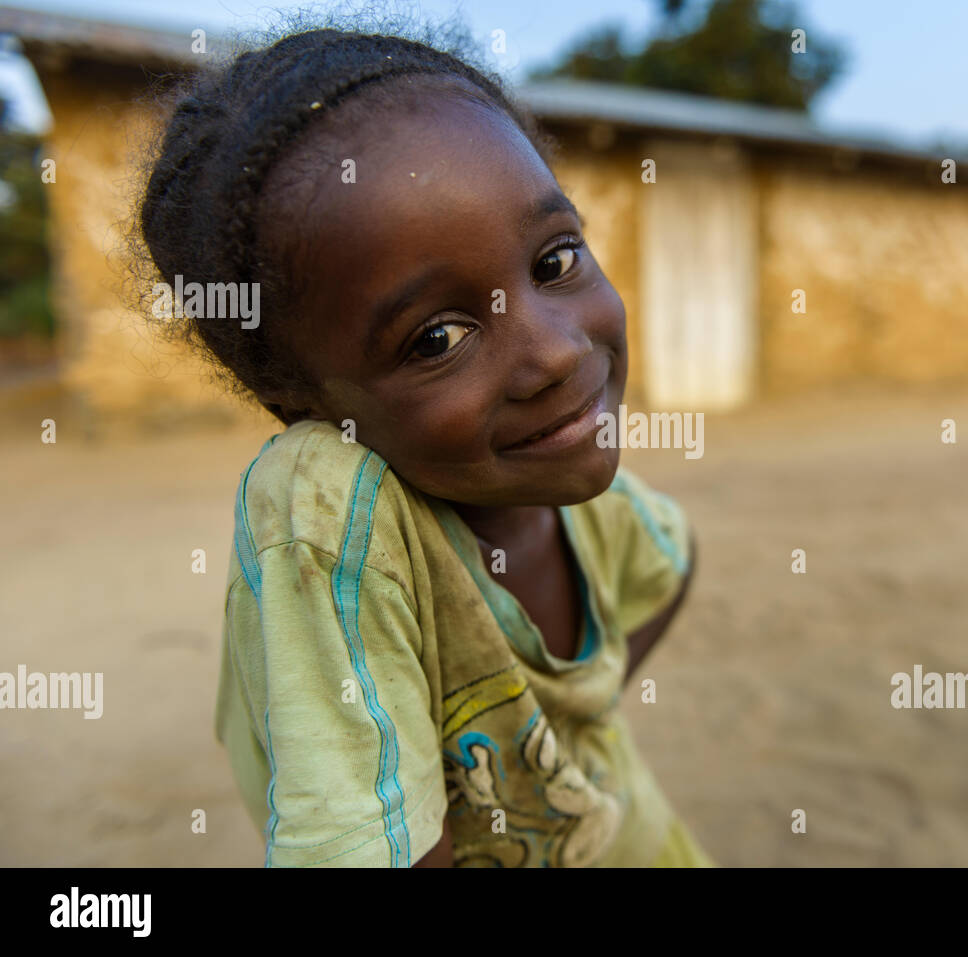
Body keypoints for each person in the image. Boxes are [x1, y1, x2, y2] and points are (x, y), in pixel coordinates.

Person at [138, 26, 712, 867]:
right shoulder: (326, 504)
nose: (556, 351)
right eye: (438, 336)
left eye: (555, 260)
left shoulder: (594, 505)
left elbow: (675, 557)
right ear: (299, 404)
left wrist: (563, 727)